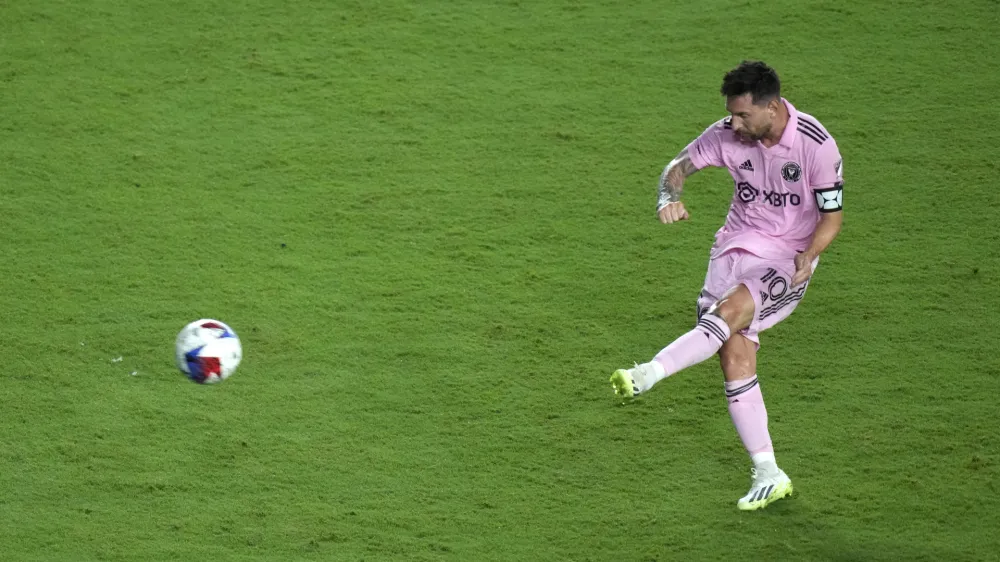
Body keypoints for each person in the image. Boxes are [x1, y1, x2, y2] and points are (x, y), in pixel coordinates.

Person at [610, 60, 844, 511]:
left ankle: (647, 374)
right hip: (733, 250)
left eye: (743, 116)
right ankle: (768, 473)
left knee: (728, 315)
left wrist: (809, 255)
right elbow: (678, 166)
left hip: (787, 256)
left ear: (772, 107)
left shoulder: (816, 145)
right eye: (731, 114)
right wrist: (669, 196)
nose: (733, 124)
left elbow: (832, 217)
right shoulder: (727, 133)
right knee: (733, 354)